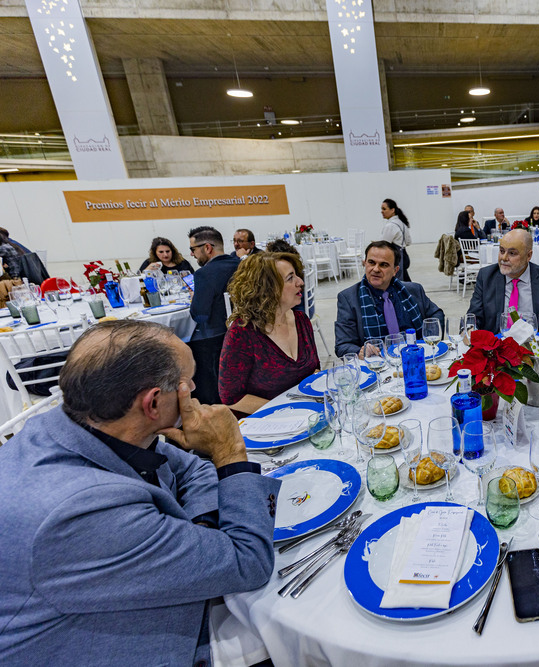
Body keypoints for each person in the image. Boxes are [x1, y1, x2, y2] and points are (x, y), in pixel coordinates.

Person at [0, 320, 279, 666]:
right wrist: (230, 451)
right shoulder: (79, 513)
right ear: (153, 403)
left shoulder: (88, 423)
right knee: (289, 632)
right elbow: (248, 561)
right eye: (187, 383)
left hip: (128, 591)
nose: (193, 388)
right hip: (117, 642)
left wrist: (199, 533)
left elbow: (192, 469)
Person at [218, 252, 318, 417]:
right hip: (264, 426)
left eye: (297, 276)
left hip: (305, 417)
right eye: (290, 278)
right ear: (267, 290)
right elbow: (231, 397)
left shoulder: (301, 320)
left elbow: (314, 370)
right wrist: (287, 409)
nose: (300, 282)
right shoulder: (242, 333)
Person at [335, 241, 444, 358]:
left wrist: (428, 342)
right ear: (364, 263)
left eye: (383, 265)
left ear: (395, 271)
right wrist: (360, 351)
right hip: (377, 364)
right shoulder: (348, 298)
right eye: (371, 262)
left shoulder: (413, 290)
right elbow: (342, 345)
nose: (376, 269)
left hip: (416, 357)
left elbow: (436, 314)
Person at [467, 227, 539, 340]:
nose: (504, 258)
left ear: (528, 256)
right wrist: (469, 329)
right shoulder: (486, 277)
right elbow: (473, 317)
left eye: (512, 253)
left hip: (536, 346)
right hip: (497, 348)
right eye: (502, 251)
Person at [188, 226, 241, 404]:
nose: (192, 255)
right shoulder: (241, 265)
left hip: (217, 341)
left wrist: (194, 299)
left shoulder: (204, 274)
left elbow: (200, 315)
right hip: (246, 330)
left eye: (193, 250)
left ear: (208, 248)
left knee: (186, 344)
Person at [380, 198, 412, 281]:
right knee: (404, 282)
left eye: (384, 209)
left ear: (392, 210)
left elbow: (383, 244)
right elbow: (408, 242)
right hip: (403, 254)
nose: (381, 211)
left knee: (397, 282)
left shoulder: (390, 226)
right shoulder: (401, 222)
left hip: (394, 257)